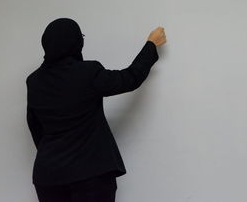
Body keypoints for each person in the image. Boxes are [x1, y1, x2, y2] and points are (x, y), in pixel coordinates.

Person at [26, 18, 166, 202]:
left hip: (48, 177)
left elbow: (35, 126)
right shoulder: (87, 72)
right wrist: (151, 44)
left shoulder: (34, 81)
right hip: (90, 175)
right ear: (76, 42)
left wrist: (54, 155)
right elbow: (129, 78)